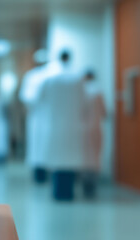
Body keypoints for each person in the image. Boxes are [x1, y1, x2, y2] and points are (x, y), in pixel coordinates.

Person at [39, 50, 87, 201]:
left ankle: (58, 193)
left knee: (58, 161)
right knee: (70, 160)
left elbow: (40, 100)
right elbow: (84, 101)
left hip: (54, 124)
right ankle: (68, 193)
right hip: (73, 125)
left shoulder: (50, 78)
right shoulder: (78, 78)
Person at [19, 49, 54, 183]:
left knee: (42, 146)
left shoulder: (46, 75)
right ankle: (41, 174)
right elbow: (27, 97)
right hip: (39, 116)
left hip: (44, 116)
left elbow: (27, 98)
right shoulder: (33, 76)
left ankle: (43, 174)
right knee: (39, 146)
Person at [83, 70, 106, 199]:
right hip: (96, 128)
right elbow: (104, 112)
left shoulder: (81, 92)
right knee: (95, 156)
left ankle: (85, 185)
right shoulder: (98, 91)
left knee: (85, 156)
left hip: (82, 130)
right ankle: (92, 188)